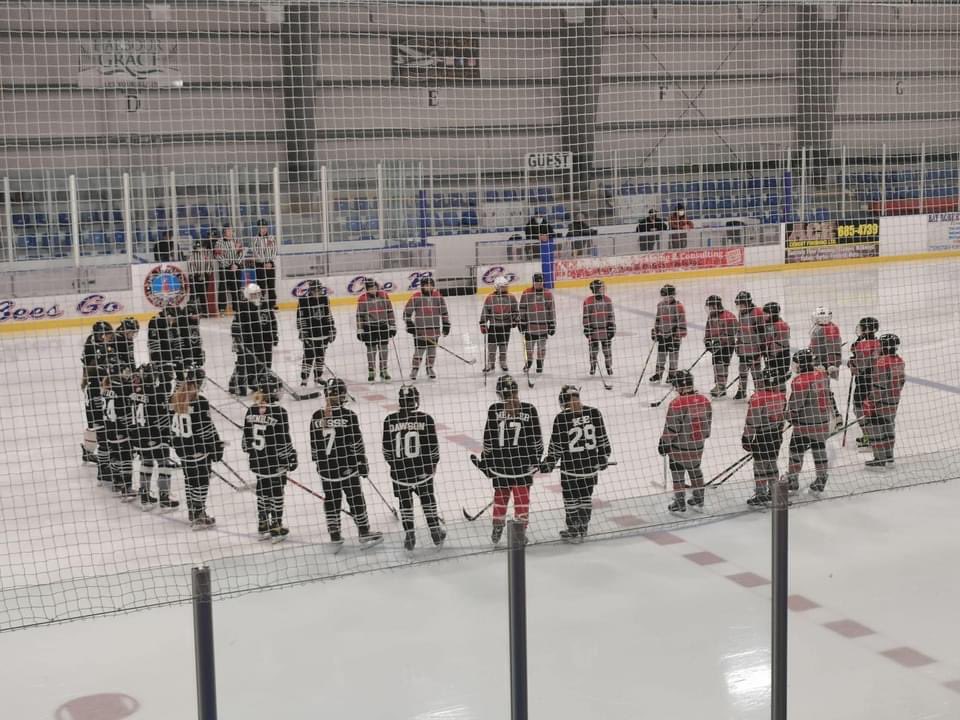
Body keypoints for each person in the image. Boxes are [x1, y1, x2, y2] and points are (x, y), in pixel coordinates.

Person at [309, 378, 383, 548]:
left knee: (332, 500)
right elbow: (356, 443)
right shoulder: (349, 416)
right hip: (347, 468)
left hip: (326, 469)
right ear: (341, 394)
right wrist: (362, 463)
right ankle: (364, 532)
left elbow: (314, 445)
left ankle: (335, 535)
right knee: (356, 498)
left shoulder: (316, 416)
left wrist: (320, 464)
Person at [471, 375, 543, 544]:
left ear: (499, 393)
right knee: (522, 500)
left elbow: (488, 440)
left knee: (501, 497)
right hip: (522, 466)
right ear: (516, 390)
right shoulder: (529, 409)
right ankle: (519, 532)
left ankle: (497, 526)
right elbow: (537, 440)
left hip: (500, 466)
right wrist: (536, 461)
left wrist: (487, 461)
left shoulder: (494, 409)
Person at [539, 385, 611, 542]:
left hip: (570, 470)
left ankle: (573, 528)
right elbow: (603, 440)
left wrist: (549, 462)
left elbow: (556, 446)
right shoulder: (594, 413)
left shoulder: (562, 418)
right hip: (590, 469)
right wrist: (603, 457)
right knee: (585, 496)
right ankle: (583, 526)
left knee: (571, 498)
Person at [381, 385, 445, 551]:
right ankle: (435, 532)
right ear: (415, 400)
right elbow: (434, 448)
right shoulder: (426, 419)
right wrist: (432, 465)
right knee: (428, 500)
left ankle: (409, 534)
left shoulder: (389, 420)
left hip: (400, 473)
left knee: (405, 504)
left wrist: (395, 466)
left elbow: (387, 451)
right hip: (422, 471)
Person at [243, 373, 298, 542]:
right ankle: (276, 525)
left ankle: (262, 523)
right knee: (276, 493)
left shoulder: (251, 409)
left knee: (262, 491)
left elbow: (245, 442)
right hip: (274, 462)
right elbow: (283, 439)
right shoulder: (279, 412)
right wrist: (290, 458)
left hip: (257, 461)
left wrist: (253, 453)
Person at [169, 366, 223, 528]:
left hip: (182, 448)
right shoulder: (200, 402)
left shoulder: (174, 399)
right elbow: (206, 429)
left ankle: (193, 510)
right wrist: (216, 446)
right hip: (198, 448)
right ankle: (199, 513)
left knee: (190, 479)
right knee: (202, 480)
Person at [659, 370, 712, 513]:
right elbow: (707, 427)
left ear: (678, 385)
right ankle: (699, 497)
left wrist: (664, 442)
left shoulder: (677, 403)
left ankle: (679, 501)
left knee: (677, 472)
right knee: (695, 470)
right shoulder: (704, 400)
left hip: (679, 447)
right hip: (697, 445)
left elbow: (672, 428)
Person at [129, 363, 179, 511]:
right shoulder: (156, 392)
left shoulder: (134, 392)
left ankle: (145, 497)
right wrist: (168, 433)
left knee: (147, 462)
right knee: (164, 463)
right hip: (155, 433)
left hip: (138, 434)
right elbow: (162, 413)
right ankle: (164, 497)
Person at [784, 349, 831, 494]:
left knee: (795, 450)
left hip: (805, 424)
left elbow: (795, 405)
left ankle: (792, 479)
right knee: (819, 449)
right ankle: (821, 478)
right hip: (823, 421)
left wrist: (788, 415)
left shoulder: (800, 381)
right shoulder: (821, 375)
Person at [741, 368, 787, 506]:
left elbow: (752, 420)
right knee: (772, 463)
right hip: (776, 436)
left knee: (760, 466)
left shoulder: (758, 397)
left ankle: (761, 493)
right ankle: (774, 491)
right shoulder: (781, 396)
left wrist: (747, 438)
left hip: (762, 436)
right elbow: (782, 418)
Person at [863, 333, 905, 468]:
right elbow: (901, 381)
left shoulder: (881, 362)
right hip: (894, 400)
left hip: (881, 401)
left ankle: (879, 459)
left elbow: (878, 386)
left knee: (876, 428)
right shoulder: (899, 360)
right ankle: (889, 457)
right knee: (888, 426)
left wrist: (870, 401)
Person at [97, 365, 137, 501]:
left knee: (115, 455)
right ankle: (127, 488)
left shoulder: (105, 388)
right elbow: (123, 413)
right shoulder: (119, 388)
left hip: (108, 428)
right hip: (119, 428)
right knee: (126, 457)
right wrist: (131, 430)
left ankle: (117, 482)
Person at [230, 283, 278, 396]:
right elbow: (236, 327)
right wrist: (238, 342)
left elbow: (272, 321)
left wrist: (274, 335)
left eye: (257, 294)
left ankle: (259, 383)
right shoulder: (243, 308)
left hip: (265, 341)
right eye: (253, 295)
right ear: (247, 295)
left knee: (265, 363)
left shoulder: (265, 305)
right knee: (246, 364)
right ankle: (236, 385)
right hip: (249, 342)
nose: (256, 296)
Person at [81, 320, 115, 466]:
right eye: (107, 335)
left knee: (99, 418)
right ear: (101, 335)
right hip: (94, 386)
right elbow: (91, 368)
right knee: (96, 420)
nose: (110, 337)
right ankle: (89, 452)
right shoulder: (92, 346)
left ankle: (95, 450)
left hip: (96, 385)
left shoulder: (95, 342)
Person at [403, 275, 450, 380]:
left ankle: (429, 368)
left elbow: (444, 312)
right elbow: (406, 312)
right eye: (426, 286)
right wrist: (409, 323)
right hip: (420, 331)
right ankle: (415, 369)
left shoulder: (438, 296)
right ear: (422, 286)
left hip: (434, 330)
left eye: (431, 285)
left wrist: (446, 324)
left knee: (432, 351)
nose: (429, 288)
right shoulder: (416, 297)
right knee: (419, 352)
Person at [809, 306, 844, 430]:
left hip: (823, 366)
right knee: (821, 390)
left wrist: (830, 365)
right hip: (817, 364)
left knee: (825, 391)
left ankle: (836, 417)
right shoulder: (821, 328)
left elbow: (833, 349)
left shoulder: (830, 329)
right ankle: (831, 415)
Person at [848, 317, 880, 450]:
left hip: (864, 381)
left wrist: (852, 363)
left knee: (859, 408)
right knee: (871, 408)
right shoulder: (879, 342)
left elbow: (858, 365)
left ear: (867, 329)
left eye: (862, 327)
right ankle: (875, 436)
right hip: (875, 381)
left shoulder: (862, 345)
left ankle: (869, 436)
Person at [356, 278, 396, 383]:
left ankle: (384, 370)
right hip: (369, 327)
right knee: (371, 350)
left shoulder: (384, 296)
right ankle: (371, 371)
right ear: (367, 289)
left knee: (384, 349)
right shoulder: (362, 299)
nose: (373, 290)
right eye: (370, 288)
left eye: (374, 288)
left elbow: (390, 311)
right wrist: (360, 329)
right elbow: (359, 315)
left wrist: (392, 325)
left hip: (383, 326)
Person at [296, 279, 336, 386]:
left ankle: (318, 377)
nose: (317, 292)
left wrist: (332, 329)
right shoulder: (303, 301)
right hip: (310, 335)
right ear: (311, 290)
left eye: (319, 289)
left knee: (320, 356)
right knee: (308, 357)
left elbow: (328, 315)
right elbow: (300, 318)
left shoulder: (324, 299)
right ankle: (304, 379)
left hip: (323, 333)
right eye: (315, 290)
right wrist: (303, 332)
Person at [518, 272, 556, 375]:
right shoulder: (526, 293)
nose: (538, 284)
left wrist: (552, 324)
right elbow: (522, 308)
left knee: (541, 348)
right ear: (533, 282)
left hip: (543, 326)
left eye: (540, 282)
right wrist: (521, 321)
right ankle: (529, 362)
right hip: (530, 326)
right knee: (529, 348)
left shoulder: (548, 294)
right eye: (536, 282)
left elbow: (551, 310)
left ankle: (540, 363)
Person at [480, 275, 518, 373]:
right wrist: (483, 323)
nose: (506, 288)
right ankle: (490, 363)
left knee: (503, 347)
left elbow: (515, 311)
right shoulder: (490, 298)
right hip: (494, 327)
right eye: (503, 286)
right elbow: (485, 311)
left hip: (506, 326)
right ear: (497, 287)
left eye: (506, 286)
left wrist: (515, 320)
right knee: (492, 347)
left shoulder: (511, 297)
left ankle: (503, 362)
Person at [649, 284, 687, 383]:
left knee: (673, 356)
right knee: (661, 355)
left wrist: (678, 334)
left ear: (672, 295)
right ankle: (658, 374)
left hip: (673, 335)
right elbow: (658, 319)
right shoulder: (660, 305)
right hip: (662, 335)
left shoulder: (678, 306)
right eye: (663, 296)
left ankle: (672, 375)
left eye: (667, 296)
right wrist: (655, 331)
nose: (665, 298)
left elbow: (682, 321)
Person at [704, 295, 738, 397]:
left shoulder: (729, 317)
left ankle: (721, 386)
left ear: (715, 306)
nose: (709, 309)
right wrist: (708, 341)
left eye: (710, 306)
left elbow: (732, 334)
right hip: (716, 345)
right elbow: (708, 331)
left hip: (727, 346)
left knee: (722, 365)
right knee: (715, 364)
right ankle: (718, 385)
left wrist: (721, 341)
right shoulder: (711, 317)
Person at [734, 290, 765, 400]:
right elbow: (740, 330)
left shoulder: (757, 312)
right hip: (744, 347)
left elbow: (762, 332)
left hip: (754, 348)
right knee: (742, 370)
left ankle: (759, 391)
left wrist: (761, 348)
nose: (739, 307)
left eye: (741, 304)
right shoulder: (741, 313)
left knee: (756, 371)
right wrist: (738, 344)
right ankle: (742, 390)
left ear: (747, 303)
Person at [582, 278, 615, 376]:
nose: (603, 289)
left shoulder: (608, 300)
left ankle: (609, 366)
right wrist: (587, 327)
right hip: (594, 331)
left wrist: (611, 326)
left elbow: (611, 315)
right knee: (593, 351)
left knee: (607, 350)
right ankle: (593, 366)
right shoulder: (588, 301)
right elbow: (586, 316)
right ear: (596, 289)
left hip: (605, 330)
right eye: (601, 287)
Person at [215, 223, 246, 314]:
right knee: (223, 288)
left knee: (236, 288)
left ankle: (237, 308)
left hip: (236, 269)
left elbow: (241, 253)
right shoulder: (219, 242)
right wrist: (229, 265)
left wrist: (236, 264)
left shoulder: (237, 241)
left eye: (231, 229)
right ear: (224, 231)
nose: (230, 231)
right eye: (228, 229)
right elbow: (218, 256)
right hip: (225, 269)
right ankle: (222, 309)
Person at [761, 302, 791, 389]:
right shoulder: (767, 324)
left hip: (780, 356)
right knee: (770, 376)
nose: (764, 316)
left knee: (779, 378)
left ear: (772, 314)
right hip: (771, 356)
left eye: (766, 314)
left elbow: (782, 344)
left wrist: (770, 352)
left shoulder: (782, 326)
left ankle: (781, 395)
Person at [251, 219, 278, 309]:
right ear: (259, 228)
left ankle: (272, 304)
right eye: (262, 227)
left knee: (271, 285)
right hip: (260, 265)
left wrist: (269, 262)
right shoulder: (255, 239)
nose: (264, 229)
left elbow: (274, 250)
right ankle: (261, 304)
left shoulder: (272, 238)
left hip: (270, 264)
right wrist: (263, 263)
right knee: (261, 285)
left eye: (265, 227)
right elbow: (256, 252)